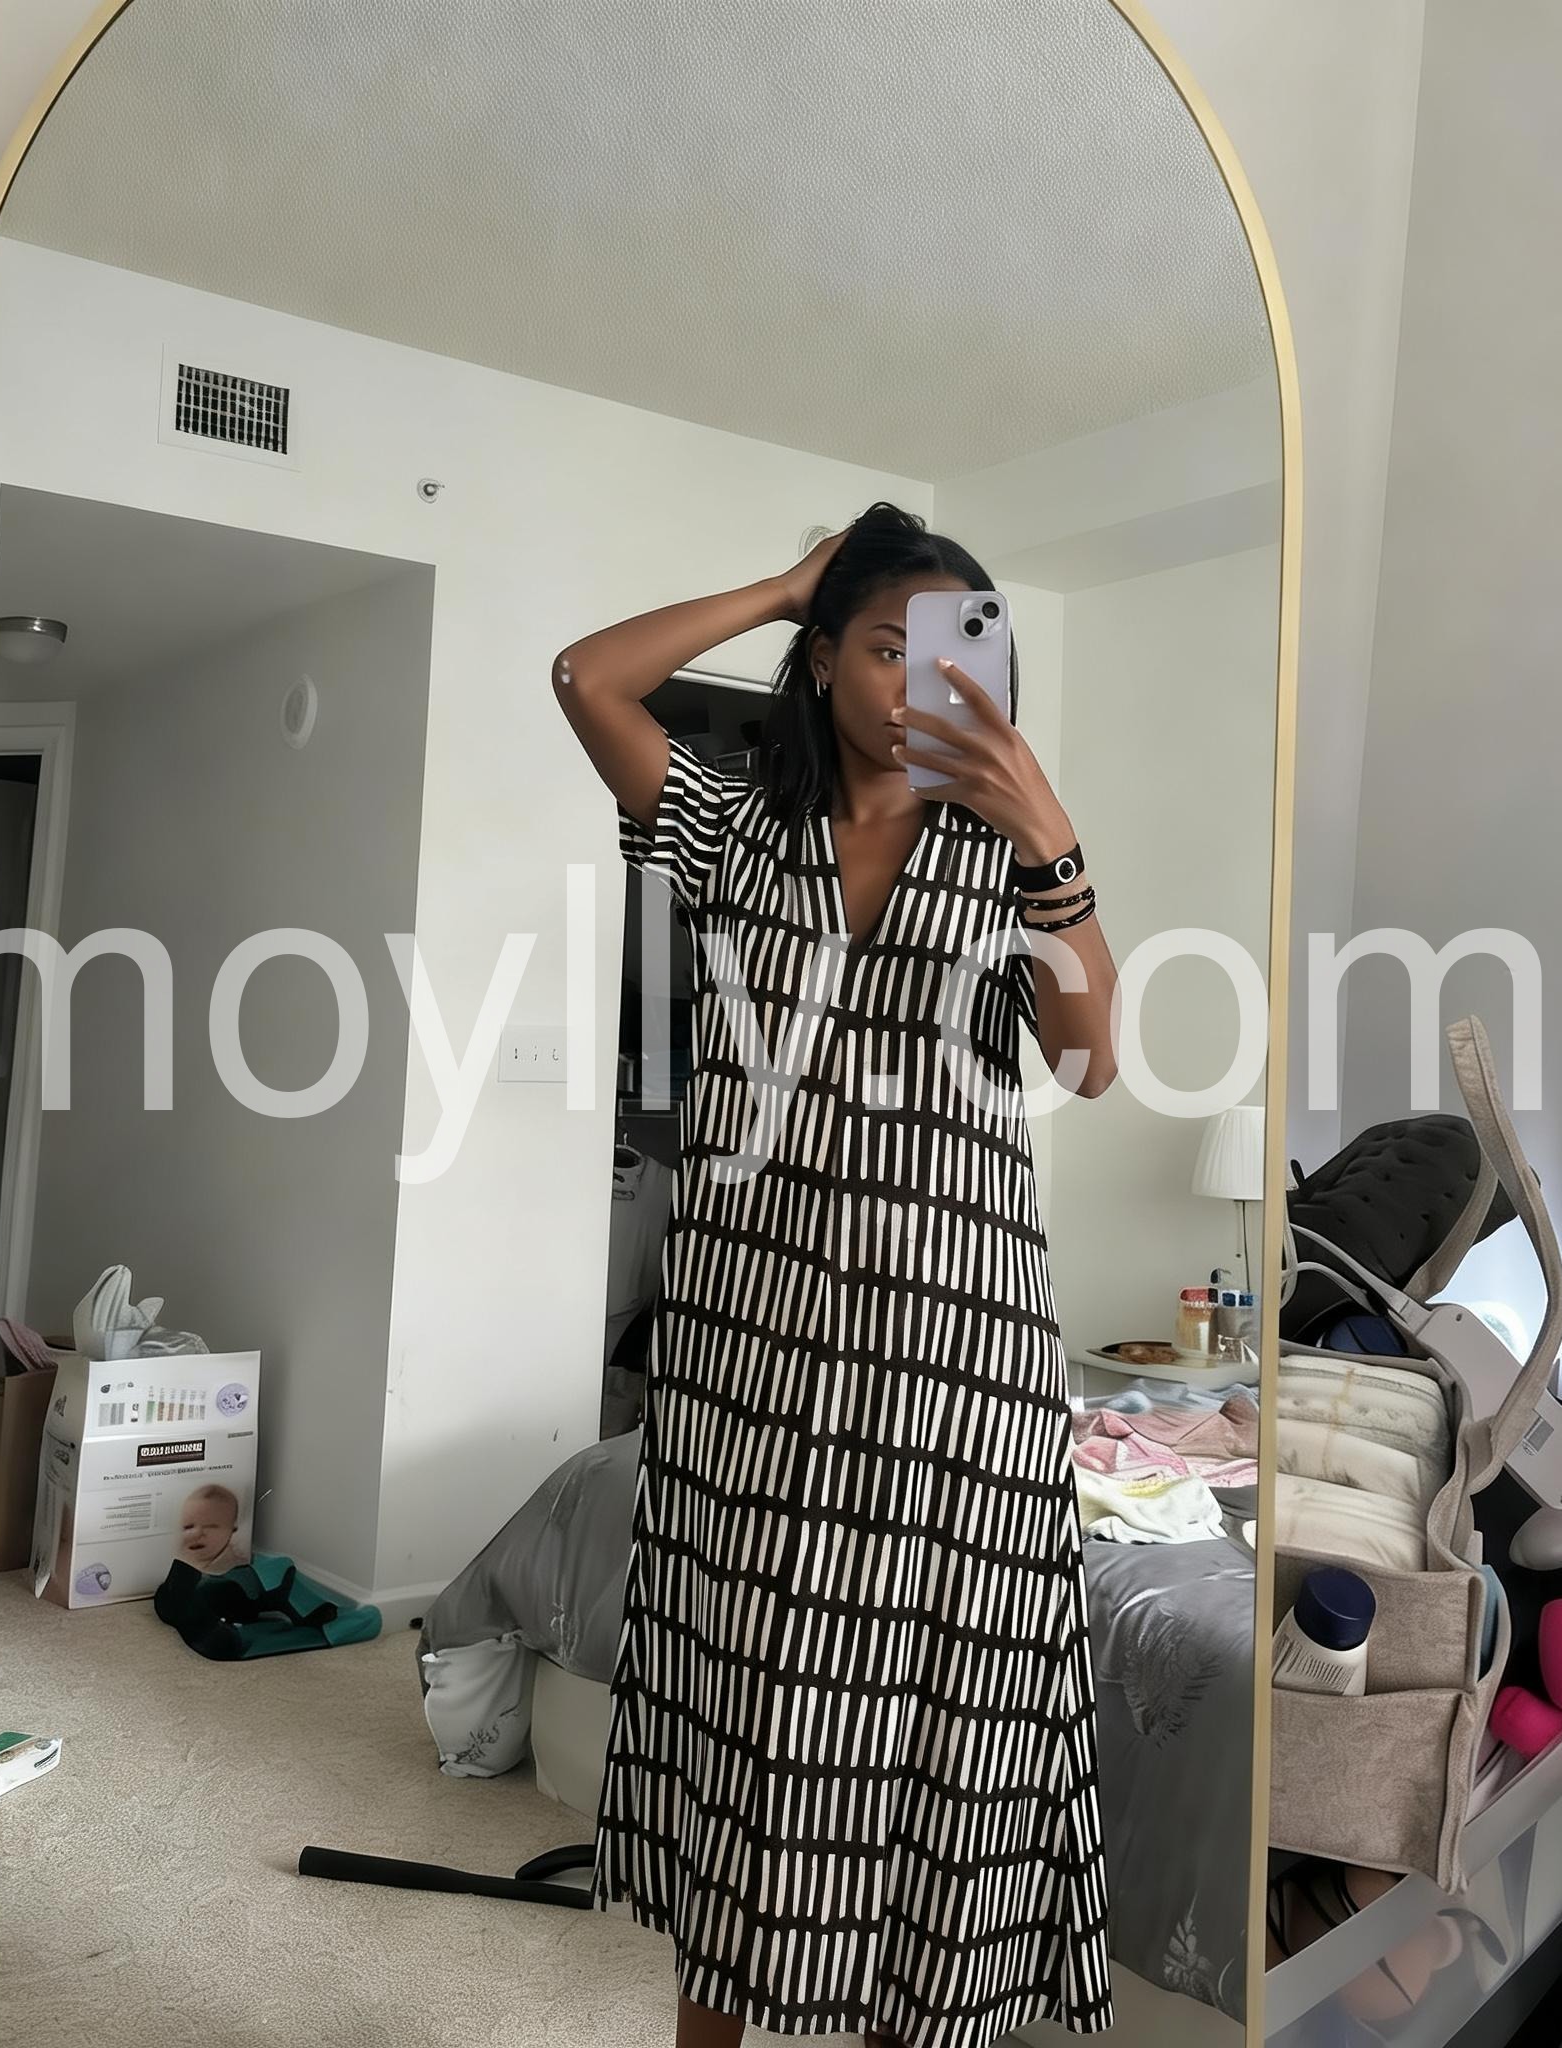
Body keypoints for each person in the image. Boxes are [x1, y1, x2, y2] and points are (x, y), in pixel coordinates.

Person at [554, 503, 1120, 2048]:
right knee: (749, 1697)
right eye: (882, 645)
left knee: (942, 1722)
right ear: (817, 664)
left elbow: (1090, 1061)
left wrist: (1050, 836)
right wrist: (785, 584)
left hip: (957, 1365)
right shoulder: (732, 825)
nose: (918, 679)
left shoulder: (1002, 857)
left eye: (954, 652)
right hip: (754, 1350)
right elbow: (589, 679)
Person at [175, 1483, 251, 1574]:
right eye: (188, 1527)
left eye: (209, 1527)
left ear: (232, 1530)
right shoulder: (176, 1555)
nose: (196, 1533)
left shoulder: (237, 1565)